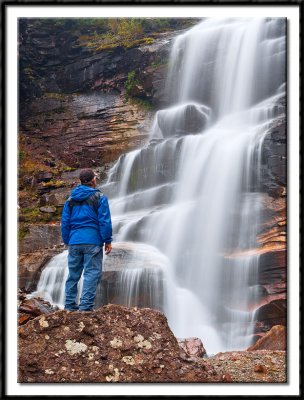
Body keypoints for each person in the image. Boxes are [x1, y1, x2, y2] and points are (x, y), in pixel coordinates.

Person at [61, 168, 112, 311]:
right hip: (92, 241)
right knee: (91, 274)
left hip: (74, 242)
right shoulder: (100, 197)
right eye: (95, 178)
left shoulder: (70, 200)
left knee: (73, 275)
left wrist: (67, 240)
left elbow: (65, 223)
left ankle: (70, 306)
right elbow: (104, 221)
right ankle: (85, 307)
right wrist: (107, 240)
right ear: (93, 180)